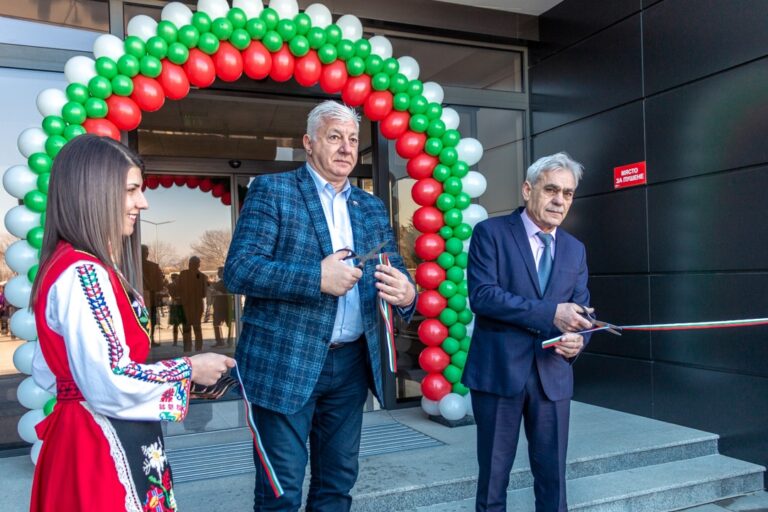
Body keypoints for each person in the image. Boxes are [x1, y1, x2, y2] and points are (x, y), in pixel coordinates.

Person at [224, 100, 417, 511]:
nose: (346, 148)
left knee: (336, 486)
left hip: (350, 366)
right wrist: (316, 278)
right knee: (281, 494)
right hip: (285, 363)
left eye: (353, 139)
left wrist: (407, 293)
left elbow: (394, 268)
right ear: (309, 143)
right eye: (335, 137)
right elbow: (240, 270)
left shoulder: (369, 206)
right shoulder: (272, 191)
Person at [28, 134, 235, 512]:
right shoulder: (84, 273)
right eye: (131, 190)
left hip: (83, 433)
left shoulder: (68, 264)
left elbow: (48, 370)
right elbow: (109, 379)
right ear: (93, 193)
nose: (143, 202)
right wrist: (189, 368)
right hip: (99, 444)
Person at [462, 152, 595, 512]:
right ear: (527, 189)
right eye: (551, 189)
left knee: (553, 482)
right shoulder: (490, 233)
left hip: (552, 376)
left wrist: (578, 340)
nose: (559, 200)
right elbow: (483, 296)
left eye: (567, 193)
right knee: (493, 481)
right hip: (499, 374)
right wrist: (552, 314)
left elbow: (583, 310)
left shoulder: (575, 249)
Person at [178, 256, 208, 352]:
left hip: (186, 304)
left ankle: (187, 348)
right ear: (198, 265)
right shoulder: (202, 276)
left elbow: (176, 288)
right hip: (196, 305)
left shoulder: (183, 274)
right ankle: (198, 348)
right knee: (197, 327)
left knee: (187, 327)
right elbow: (204, 294)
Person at [142, 244, 165, 345]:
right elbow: (160, 285)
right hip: (151, 297)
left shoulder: (133, 266)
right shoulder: (154, 266)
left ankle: (144, 339)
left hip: (138, 298)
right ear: (147, 254)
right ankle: (150, 339)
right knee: (152, 319)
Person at [211, 266, 233, 347]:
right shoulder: (229, 283)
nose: (218, 274)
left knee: (217, 323)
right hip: (226, 306)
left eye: (219, 272)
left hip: (221, 306)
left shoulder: (221, 284)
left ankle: (221, 341)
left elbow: (213, 289)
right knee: (228, 324)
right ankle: (228, 340)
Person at [167, 273, 184, 346]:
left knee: (184, 322)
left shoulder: (182, 285)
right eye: (174, 278)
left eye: (176, 278)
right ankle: (175, 341)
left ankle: (185, 339)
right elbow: (172, 294)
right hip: (175, 305)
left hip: (181, 304)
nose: (176, 279)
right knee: (175, 324)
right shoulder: (170, 285)